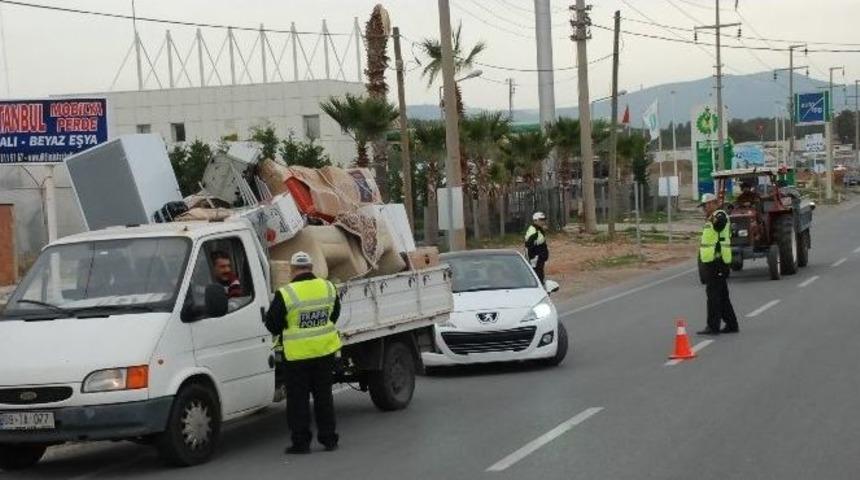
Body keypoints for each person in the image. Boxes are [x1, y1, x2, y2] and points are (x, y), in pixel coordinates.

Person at [265, 251, 342, 454]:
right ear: (311, 267)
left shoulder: (286, 293)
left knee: (298, 400)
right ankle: (329, 439)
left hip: (297, 356)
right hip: (324, 352)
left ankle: (301, 443)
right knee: (324, 397)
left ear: (292, 269)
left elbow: (272, 323)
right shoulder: (327, 287)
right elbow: (334, 314)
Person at [697, 193, 739, 336]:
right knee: (722, 295)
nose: (704, 209)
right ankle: (732, 324)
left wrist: (711, 216)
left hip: (717, 261)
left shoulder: (720, 215)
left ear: (712, 204)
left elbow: (719, 225)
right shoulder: (712, 217)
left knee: (713, 295)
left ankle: (713, 326)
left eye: (705, 206)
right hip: (712, 261)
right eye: (703, 206)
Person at [525, 212, 549, 285]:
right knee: (537, 275)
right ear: (535, 221)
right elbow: (529, 245)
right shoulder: (533, 231)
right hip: (536, 258)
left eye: (544, 220)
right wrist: (533, 258)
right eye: (541, 220)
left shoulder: (538, 229)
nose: (543, 222)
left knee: (539, 273)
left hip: (539, 258)